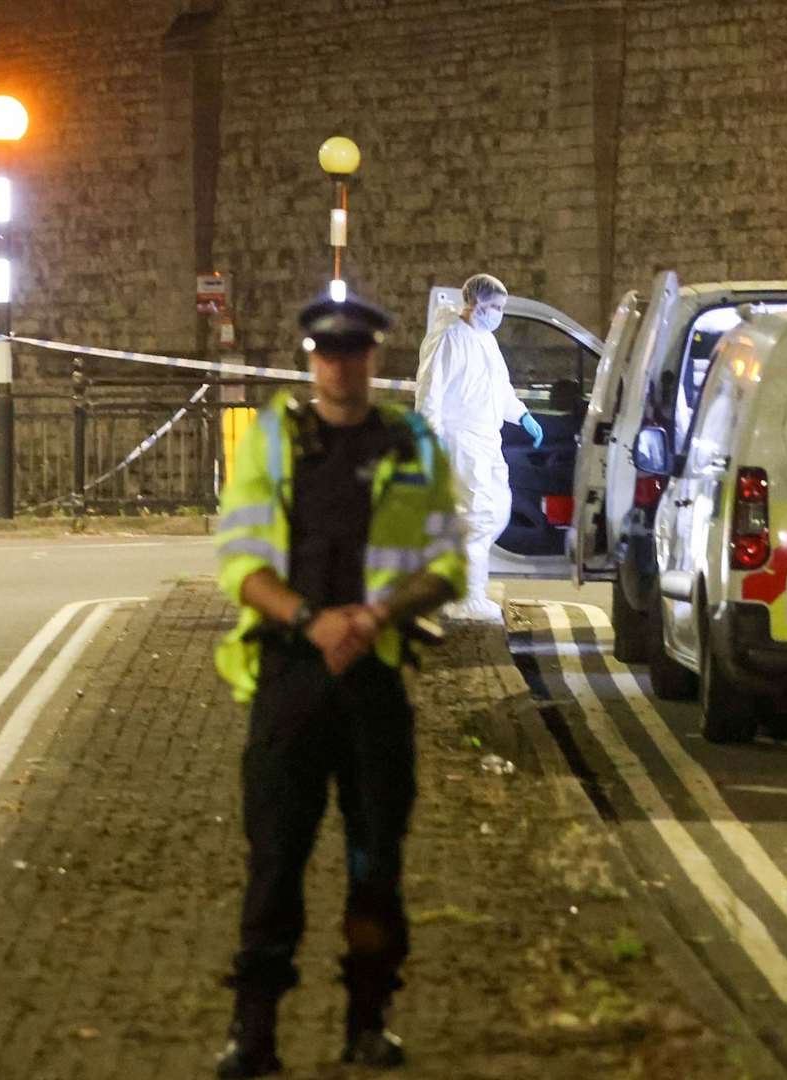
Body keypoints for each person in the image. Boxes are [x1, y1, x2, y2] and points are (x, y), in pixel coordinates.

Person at [210, 292, 464, 1077]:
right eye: (326, 353)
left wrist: (378, 614)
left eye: (353, 352)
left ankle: (368, 1023)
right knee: (275, 861)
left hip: (375, 681)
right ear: (310, 359)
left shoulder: (413, 442)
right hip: (290, 677)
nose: (339, 366)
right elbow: (240, 567)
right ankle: (254, 1036)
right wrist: (316, 620)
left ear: (373, 357)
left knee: (375, 862)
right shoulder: (276, 441)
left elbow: (447, 565)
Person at [414, 273, 542, 621]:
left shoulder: (484, 340)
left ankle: (455, 587)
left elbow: (499, 390)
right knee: (475, 514)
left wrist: (522, 415)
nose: (499, 314)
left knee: (495, 509)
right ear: (475, 302)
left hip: (486, 439)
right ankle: (466, 597)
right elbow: (430, 393)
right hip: (460, 440)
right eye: (495, 307)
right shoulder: (450, 338)